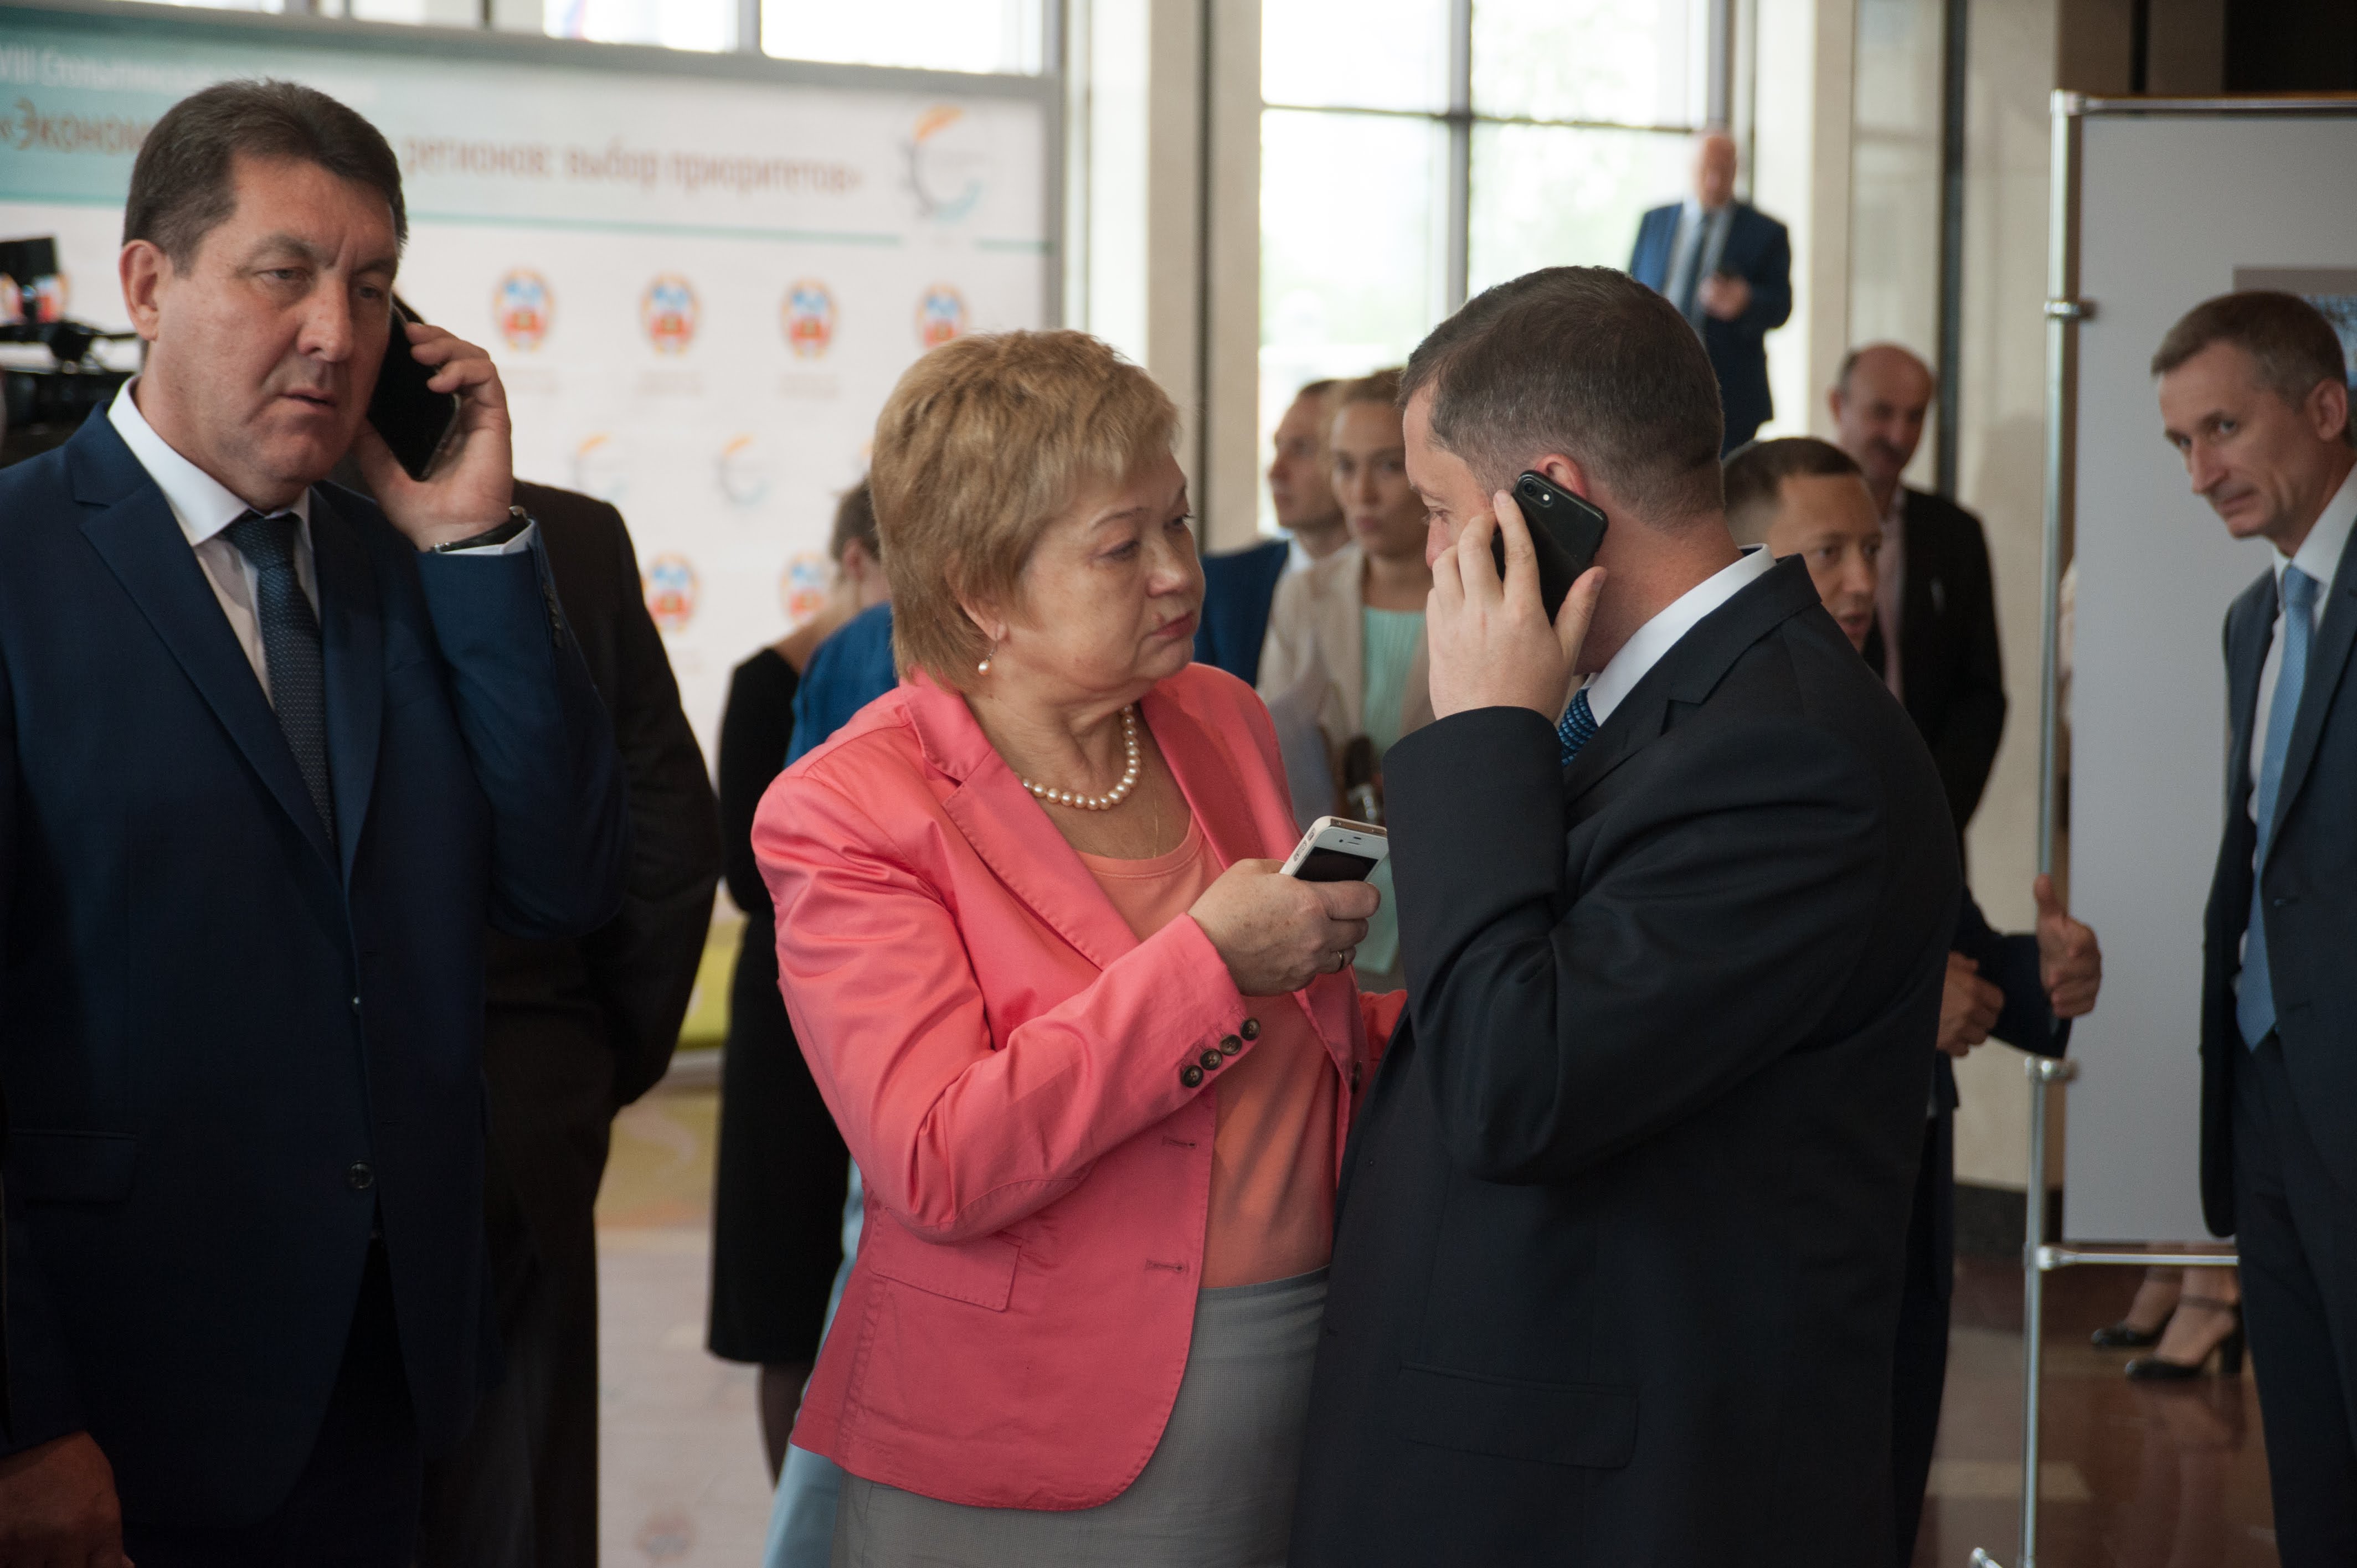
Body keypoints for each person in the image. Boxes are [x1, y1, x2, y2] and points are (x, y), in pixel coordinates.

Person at [0, 79, 626, 1567]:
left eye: (374, 286)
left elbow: (562, 882)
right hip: (111, 1396)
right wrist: (18, 1419)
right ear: (148, 284)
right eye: (283, 274)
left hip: (392, 1385)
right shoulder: (16, 564)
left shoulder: (416, 570)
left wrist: (474, 547)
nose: (337, 335)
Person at [1289, 267, 1958, 1565]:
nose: (1429, 556)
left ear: (1551, 499)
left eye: (1439, 509)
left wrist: (1487, 730)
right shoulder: (1665, 701)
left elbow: (1517, 1082)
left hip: (1617, 1500)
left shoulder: (1788, 755)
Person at [755, 328, 1397, 1566]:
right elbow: (937, 1157)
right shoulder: (851, 808)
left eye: (1179, 522)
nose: (1177, 573)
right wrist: (1210, 965)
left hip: (1306, 1360)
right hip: (1024, 1417)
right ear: (979, 590)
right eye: (1121, 546)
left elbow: (1299, 1040)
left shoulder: (1219, 716)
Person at [1724, 435, 2104, 1565]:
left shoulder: (1878, 717)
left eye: (1870, 550)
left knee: (1884, 1487)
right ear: (1743, 561)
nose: (1859, 581)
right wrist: (1901, 1010)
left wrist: (2042, 978)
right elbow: (1721, 985)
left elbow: (1945, 943)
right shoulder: (1717, 735)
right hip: (1785, 1204)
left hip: (1907, 1181)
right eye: (1826, 552)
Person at [416, 478, 721, 1568]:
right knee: (514, 1508)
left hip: (512, 1118)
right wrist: (583, 1063)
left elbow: (666, 834)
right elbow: (671, 842)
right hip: (523, 1103)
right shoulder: (572, 537)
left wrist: (582, 1069)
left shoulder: (563, 541)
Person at [2156, 290, 2357, 1565]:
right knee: (2310, 1473)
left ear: (2326, 407)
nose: (2199, 473)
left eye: (2222, 428)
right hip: (2266, 1090)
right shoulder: (2255, 618)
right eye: (2181, 442)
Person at [707, 482, 889, 1481]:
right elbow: (750, 875)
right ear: (858, 561)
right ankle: (798, 1520)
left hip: (882, 1010)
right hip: (787, 1021)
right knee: (785, 1300)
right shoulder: (768, 681)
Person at [1255, 369, 1433, 984]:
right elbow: (1271, 743)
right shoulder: (1305, 594)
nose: (1361, 494)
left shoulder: (1481, 594)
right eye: (1344, 466)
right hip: (1332, 885)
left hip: (1444, 883)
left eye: (1387, 467)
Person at [1828, 344, 2009, 833]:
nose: (1899, 435)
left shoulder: (1956, 534)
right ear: (1838, 405)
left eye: (1915, 416)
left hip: (1931, 823)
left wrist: (1935, 813)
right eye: (1882, 413)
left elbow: (1981, 694)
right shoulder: (1789, 529)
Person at [1629, 130, 1792, 453]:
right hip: (1653, 384)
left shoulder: (1766, 232)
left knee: (1728, 478)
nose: (1715, 181)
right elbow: (1628, 290)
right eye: (1707, 169)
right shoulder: (1655, 222)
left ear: (1737, 170)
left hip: (1731, 393)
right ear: (1691, 167)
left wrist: (1746, 301)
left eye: (1724, 170)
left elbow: (1781, 307)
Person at [1195, 378, 1346, 684]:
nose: (1276, 471)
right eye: (1278, 447)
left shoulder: (1406, 589)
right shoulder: (1221, 583)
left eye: (1303, 449)